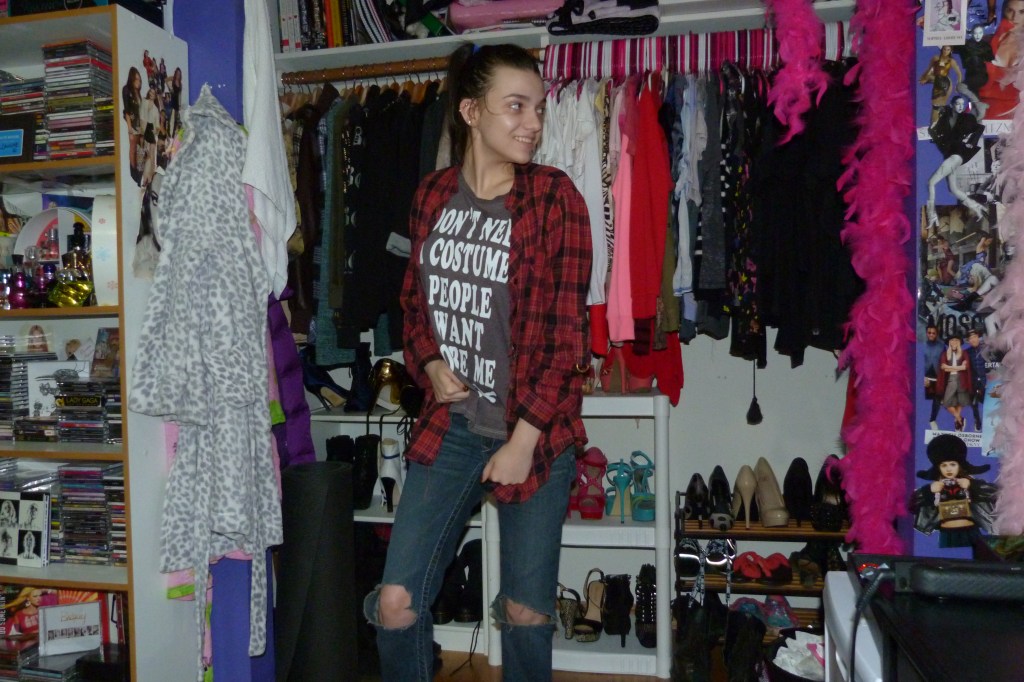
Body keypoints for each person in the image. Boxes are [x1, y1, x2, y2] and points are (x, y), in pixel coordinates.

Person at [365, 43, 592, 681]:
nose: (533, 123)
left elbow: (566, 341)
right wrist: (430, 363)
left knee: (524, 612)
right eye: (515, 106)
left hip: (534, 431)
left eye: (539, 108)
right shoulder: (432, 196)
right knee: (395, 604)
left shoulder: (554, 198)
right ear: (470, 111)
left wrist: (523, 441)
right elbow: (414, 304)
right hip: (454, 424)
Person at [911, 434, 997, 547]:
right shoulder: (935, 487)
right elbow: (910, 506)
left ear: (959, 465)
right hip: (946, 534)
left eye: (952, 464)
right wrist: (928, 491)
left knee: (975, 556)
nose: (948, 469)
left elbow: (997, 494)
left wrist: (972, 485)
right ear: (938, 468)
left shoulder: (969, 483)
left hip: (971, 532)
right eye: (944, 465)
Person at [926, 96, 986, 227]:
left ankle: (931, 215)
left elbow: (980, 128)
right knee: (953, 189)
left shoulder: (967, 118)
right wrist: (932, 130)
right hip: (950, 155)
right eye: (958, 104)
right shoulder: (945, 118)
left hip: (957, 154)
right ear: (952, 104)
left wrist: (972, 142)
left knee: (931, 183)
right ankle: (976, 206)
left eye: (962, 104)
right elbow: (938, 137)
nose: (960, 106)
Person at [978, 0, 1024, 119]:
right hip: (983, 113)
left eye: (1022, 12)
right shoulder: (987, 42)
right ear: (1003, 12)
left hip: (1017, 119)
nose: (1015, 18)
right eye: (1010, 11)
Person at [953, 25, 994, 120]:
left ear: (983, 33)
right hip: (969, 74)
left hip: (981, 75)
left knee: (960, 87)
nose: (978, 35)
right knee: (974, 101)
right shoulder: (965, 45)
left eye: (980, 33)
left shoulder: (986, 46)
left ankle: (979, 105)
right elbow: (949, 47)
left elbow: (992, 59)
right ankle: (977, 116)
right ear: (971, 33)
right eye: (975, 33)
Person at [935, 332, 972, 431]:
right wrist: (959, 367)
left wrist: (950, 367)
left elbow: (965, 367)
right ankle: (959, 418)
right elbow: (944, 368)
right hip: (951, 379)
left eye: (956, 340)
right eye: (952, 340)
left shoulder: (964, 354)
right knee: (946, 402)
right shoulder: (945, 354)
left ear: (959, 342)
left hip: (962, 379)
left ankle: (957, 422)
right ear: (949, 342)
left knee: (960, 401)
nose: (954, 342)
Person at [919, 45, 963, 125]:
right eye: (944, 49)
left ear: (950, 51)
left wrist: (958, 86)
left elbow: (959, 74)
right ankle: (936, 125)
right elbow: (929, 69)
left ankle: (935, 125)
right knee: (936, 105)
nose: (946, 51)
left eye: (948, 50)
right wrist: (923, 78)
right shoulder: (935, 58)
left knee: (938, 105)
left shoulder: (951, 61)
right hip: (937, 82)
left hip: (945, 83)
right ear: (942, 49)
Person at [122, 66, 144, 185]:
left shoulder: (137, 93)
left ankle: (139, 172)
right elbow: (127, 111)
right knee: (133, 148)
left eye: (139, 80)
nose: (138, 82)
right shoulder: (126, 90)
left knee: (140, 148)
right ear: (131, 79)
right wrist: (130, 129)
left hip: (139, 125)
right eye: (136, 79)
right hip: (133, 125)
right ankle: (134, 173)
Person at [964, 328, 988, 431]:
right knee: (973, 403)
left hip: (986, 382)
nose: (973, 339)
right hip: (973, 382)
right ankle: (977, 421)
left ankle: (989, 423)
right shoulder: (966, 352)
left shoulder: (986, 349)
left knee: (987, 403)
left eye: (975, 337)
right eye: (970, 338)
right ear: (968, 341)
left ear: (978, 337)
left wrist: (989, 380)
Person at [923, 324, 945, 430]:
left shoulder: (942, 346)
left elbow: (945, 361)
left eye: (933, 333)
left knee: (938, 398)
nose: (931, 335)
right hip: (924, 376)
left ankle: (932, 420)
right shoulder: (922, 345)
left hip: (938, 375)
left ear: (936, 334)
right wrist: (922, 377)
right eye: (929, 333)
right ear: (926, 333)